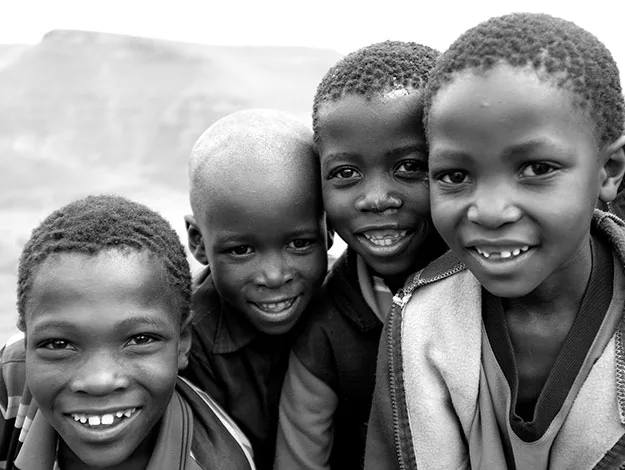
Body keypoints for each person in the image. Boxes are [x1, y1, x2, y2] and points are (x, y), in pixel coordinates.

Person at [365, 13, 625, 470]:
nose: (488, 210)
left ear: (609, 170)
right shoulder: (421, 324)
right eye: (455, 175)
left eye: (537, 169)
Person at [274, 41, 448, 469]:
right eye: (345, 173)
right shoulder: (325, 330)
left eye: (409, 166)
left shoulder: (500, 286)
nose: (375, 199)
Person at [0, 194, 255, 470]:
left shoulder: (219, 462)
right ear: (27, 343)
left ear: (182, 342)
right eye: (59, 343)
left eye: (141, 339)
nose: (99, 381)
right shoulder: (12, 375)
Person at [180, 109, 329, 470]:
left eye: (299, 244)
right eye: (241, 250)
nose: (275, 276)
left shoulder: (352, 308)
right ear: (199, 243)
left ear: (331, 232)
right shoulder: (186, 343)